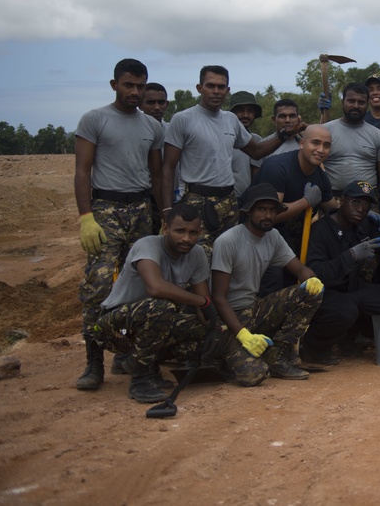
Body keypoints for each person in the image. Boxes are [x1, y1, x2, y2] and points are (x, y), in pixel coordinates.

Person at [73, 58, 165, 391]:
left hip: (140, 209)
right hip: (106, 209)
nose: (135, 92)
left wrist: (164, 215)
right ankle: (93, 362)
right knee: (98, 288)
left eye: (141, 86)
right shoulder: (95, 120)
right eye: (129, 85)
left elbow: (156, 175)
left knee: (139, 286)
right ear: (115, 85)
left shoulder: (152, 127)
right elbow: (82, 171)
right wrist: (86, 217)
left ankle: (128, 356)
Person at [161, 66, 297, 254]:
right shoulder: (183, 119)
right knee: (197, 256)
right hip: (197, 200)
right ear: (199, 88)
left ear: (227, 90)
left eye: (221, 87)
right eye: (211, 86)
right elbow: (168, 167)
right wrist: (167, 209)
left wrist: (283, 135)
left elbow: (256, 151)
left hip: (228, 200)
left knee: (229, 256)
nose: (216, 91)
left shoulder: (231, 120)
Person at [94, 203, 216, 403]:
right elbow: (156, 288)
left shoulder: (197, 254)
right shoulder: (147, 245)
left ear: (200, 232)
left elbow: (204, 307)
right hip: (116, 330)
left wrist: (212, 329)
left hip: (150, 327)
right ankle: (140, 377)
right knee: (162, 307)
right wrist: (202, 301)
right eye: (180, 231)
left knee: (199, 328)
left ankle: (134, 361)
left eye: (193, 232)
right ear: (166, 228)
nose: (187, 238)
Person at [210, 184, 325, 384]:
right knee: (253, 375)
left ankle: (278, 356)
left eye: (272, 210)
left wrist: (312, 279)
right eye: (262, 209)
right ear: (248, 212)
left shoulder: (273, 236)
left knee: (311, 292)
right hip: (228, 320)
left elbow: (299, 269)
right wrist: (243, 334)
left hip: (253, 309)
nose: (268, 215)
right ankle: (226, 354)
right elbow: (218, 298)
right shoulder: (228, 241)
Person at [303, 180, 380, 364]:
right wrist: (350, 255)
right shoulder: (320, 230)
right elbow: (316, 274)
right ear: (342, 201)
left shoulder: (365, 223)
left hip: (352, 287)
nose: (361, 209)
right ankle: (312, 348)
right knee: (345, 311)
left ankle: (353, 335)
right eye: (356, 202)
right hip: (325, 293)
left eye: (367, 206)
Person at [254, 124, 337, 295]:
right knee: (273, 284)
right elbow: (268, 217)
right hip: (260, 238)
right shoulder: (277, 167)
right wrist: (306, 201)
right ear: (301, 143)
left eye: (326, 145)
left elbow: (333, 209)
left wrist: (365, 212)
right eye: (315, 143)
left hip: (291, 241)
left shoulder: (320, 177)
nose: (321, 150)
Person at [322, 82, 380, 228]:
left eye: (361, 102)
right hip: (331, 200)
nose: (356, 105)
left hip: (366, 201)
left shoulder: (378, 135)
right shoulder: (326, 132)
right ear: (343, 102)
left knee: (367, 245)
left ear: (367, 104)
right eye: (351, 101)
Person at [139, 82, 172, 235]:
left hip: (172, 196)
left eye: (161, 102)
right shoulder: (134, 131)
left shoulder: (174, 130)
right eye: (151, 102)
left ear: (167, 104)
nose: (157, 107)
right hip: (145, 198)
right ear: (141, 104)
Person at [227, 91, 263, 199]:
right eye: (240, 110)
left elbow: (257, 178)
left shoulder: (256, 140)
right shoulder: (222, 138)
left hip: (248, 203)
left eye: (250, 111)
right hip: (221, 202)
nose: (245, 115)